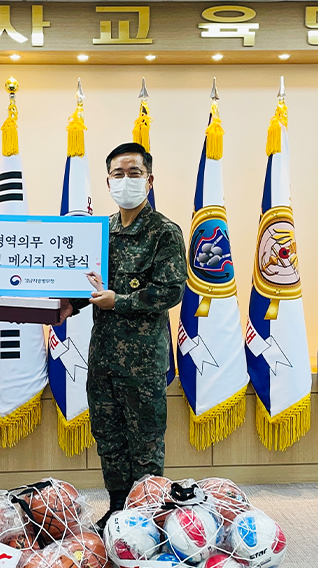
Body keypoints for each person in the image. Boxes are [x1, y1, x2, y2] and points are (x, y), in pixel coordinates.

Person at [59, 142, 187, 531]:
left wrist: (121, 300)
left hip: (143, 360)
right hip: (103, 357)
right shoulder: (101, 232)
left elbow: (170, 291)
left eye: (134, 174)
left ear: (149, 180)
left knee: (145, 442)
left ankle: (149, 517)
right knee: (109, 437)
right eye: (118, 174)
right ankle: (117, 509)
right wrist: (68, 306)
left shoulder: (164, 232)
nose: (126, 181)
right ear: (108, 180)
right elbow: (91, 285)